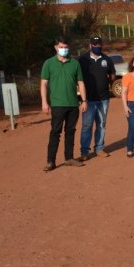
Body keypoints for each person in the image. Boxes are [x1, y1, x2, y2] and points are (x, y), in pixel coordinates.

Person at [40, 36, 87, 171]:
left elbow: (81, 83)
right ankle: (51, 161)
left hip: (73, 104)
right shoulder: (48, 63)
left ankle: (69, 158)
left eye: (66, 47)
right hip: (57, 104)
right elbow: (43, 84)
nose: (64, 49)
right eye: (61, 47)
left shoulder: (75, 63)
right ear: (55, 47)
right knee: (55, 132)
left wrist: (84, 101)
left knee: (70, 132)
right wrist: (44, 101)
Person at [78, 35, 115, 160]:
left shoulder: (107, 59)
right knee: (87, 126)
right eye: (95, 45)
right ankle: (84, 152)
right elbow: (77, 78)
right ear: (90, 45)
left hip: (103, 99)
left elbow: (113, 74)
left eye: (99, 44)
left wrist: (108, 82)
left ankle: (99, 148)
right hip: (88, 100)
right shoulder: (82, 60)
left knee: (101, 124)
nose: (97, 46)